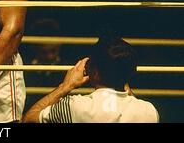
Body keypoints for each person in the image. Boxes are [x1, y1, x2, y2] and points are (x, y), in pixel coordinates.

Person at [22, 35, 159, 123]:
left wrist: (66, 86)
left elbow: (28, 120)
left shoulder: (74, 106)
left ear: (95, 73)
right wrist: (122, 76)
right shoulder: (149, 112)